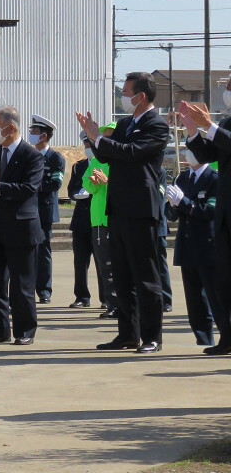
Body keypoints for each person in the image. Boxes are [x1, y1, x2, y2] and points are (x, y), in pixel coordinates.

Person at [76, 71, 169, 353]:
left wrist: (98, 138)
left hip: (142, 210)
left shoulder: (157, 125)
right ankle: (127, 334)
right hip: (117, 209)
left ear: (141, 96)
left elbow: (131, 153)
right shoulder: (126, 123)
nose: (123, 97)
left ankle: (152, 337)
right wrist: (94, 139)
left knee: (146, 276)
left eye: (127, 92)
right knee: (123, 275)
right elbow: (107, 155)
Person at [0, 106, 44, 345]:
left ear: (11, 127)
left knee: (22, 284)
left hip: (21, 228)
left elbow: (28, 189)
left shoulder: (32, 155)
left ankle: (25, 331)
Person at [179, 74, 231, 354]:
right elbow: (208, 154)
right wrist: (192, 130)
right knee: (223, 281)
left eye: (230, 85)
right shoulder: (226, 122)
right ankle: (228, 336)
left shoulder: (220, 125)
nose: (226, 90)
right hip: (224, 215)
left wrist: (208, 125)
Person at [165, 151, 222, 346]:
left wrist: (184, 202)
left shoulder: (214, 178)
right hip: (187, 246)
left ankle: (225, 338)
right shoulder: (183, 177)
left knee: (215, 298)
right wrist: (172, 206)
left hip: (207, 247)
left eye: (194, 149)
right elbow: (172, 215)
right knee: (194, 300)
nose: (189, 154)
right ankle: (203, 339)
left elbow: (211, 211)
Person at [82, 130, 119, 319]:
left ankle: (124, 304)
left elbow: (128, 185)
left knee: (120, 265)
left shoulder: (121, 159)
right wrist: (94, 182)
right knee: (105, 265)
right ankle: (111, 303)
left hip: (118, 218)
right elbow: (87, 185)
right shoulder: (97, 160)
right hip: (98, 219)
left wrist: (108, 181)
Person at [29, 115, 65, 304]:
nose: (31, 135)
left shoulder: (55, 158)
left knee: (43, 251)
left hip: (44, 211)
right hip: (27, 210)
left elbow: (55, 183)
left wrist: (32, 185)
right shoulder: (29, 155)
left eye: (34, 132)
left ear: (43, 136)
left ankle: (44, 290)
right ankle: (26, 288)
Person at [67, 131, 98, 309]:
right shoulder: (79, 167)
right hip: (80, 220)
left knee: (102, 263)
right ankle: (82, 297)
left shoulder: (104, 165)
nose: (88, 149)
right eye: (86, 146)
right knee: (80, 261)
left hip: (98, 219)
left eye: (91, 146)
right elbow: (71, 189)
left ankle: (106, 298)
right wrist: (77, 194)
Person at [157, 168, 173, 313]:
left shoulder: (159, 171)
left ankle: (166, 299)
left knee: (161, 266)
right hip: (140, 227)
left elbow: (160, 195)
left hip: (157, 227)